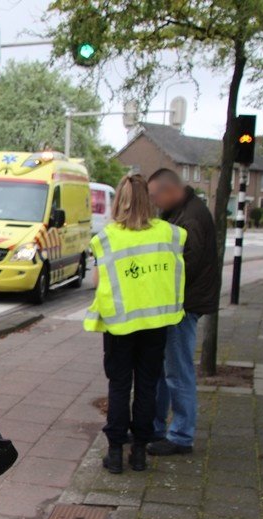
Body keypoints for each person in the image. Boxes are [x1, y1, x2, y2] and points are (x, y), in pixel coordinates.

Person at [84, 174, 186, 474]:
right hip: (156, 325)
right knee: (147, 387)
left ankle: (115, 453)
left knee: (119, 387)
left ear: (120, 201)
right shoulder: (169, 233)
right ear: (149, 200)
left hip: (119, 326)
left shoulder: (107, 237)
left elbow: (98, 281)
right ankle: (139, 452)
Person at [146, 169, 220, 456]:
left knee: (178, 371)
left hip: (184, 305)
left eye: (155, 196)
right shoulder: (181, 211)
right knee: (167, 369)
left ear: (171, 190)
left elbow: (182, 266)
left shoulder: (189, 218)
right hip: (179, 303)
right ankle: (157, 427)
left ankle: (181, 435)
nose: (154, 202)